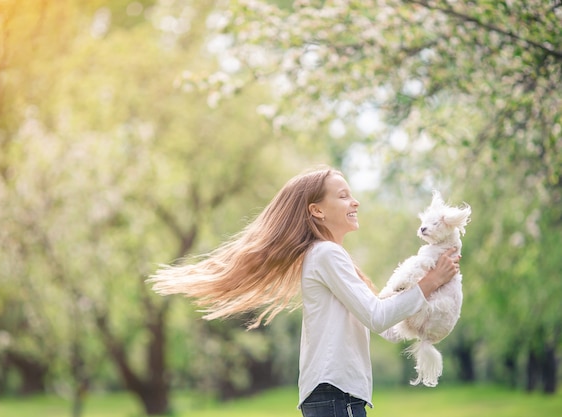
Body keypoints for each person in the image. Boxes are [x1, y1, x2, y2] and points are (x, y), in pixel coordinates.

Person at [150, 166, 460, 417]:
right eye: (343, 196)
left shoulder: (328, 256)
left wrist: (426, 305)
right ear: (317, 211)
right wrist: (430, 282)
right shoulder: (327, 255)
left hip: (332, 395)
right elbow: (378, 317)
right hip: (336, 395)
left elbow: (380, 321)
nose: (355, 202)